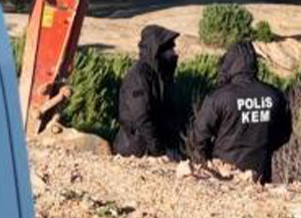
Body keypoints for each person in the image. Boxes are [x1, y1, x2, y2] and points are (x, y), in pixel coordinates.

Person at [187, 41, 291, 183]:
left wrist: (208, 160)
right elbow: (284, 134)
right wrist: (264, 148)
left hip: (223, 176)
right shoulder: (275, 96)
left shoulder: (218, 97)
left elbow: (199, 135)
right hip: (261, 176)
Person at [112, 25, 180, 158]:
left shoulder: (160, 74)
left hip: (155, 145)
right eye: (169, 49)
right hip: (136, 149)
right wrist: (158, 150)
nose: (173, 53)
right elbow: (141, 118)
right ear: (155, 50)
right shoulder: (138, 76)